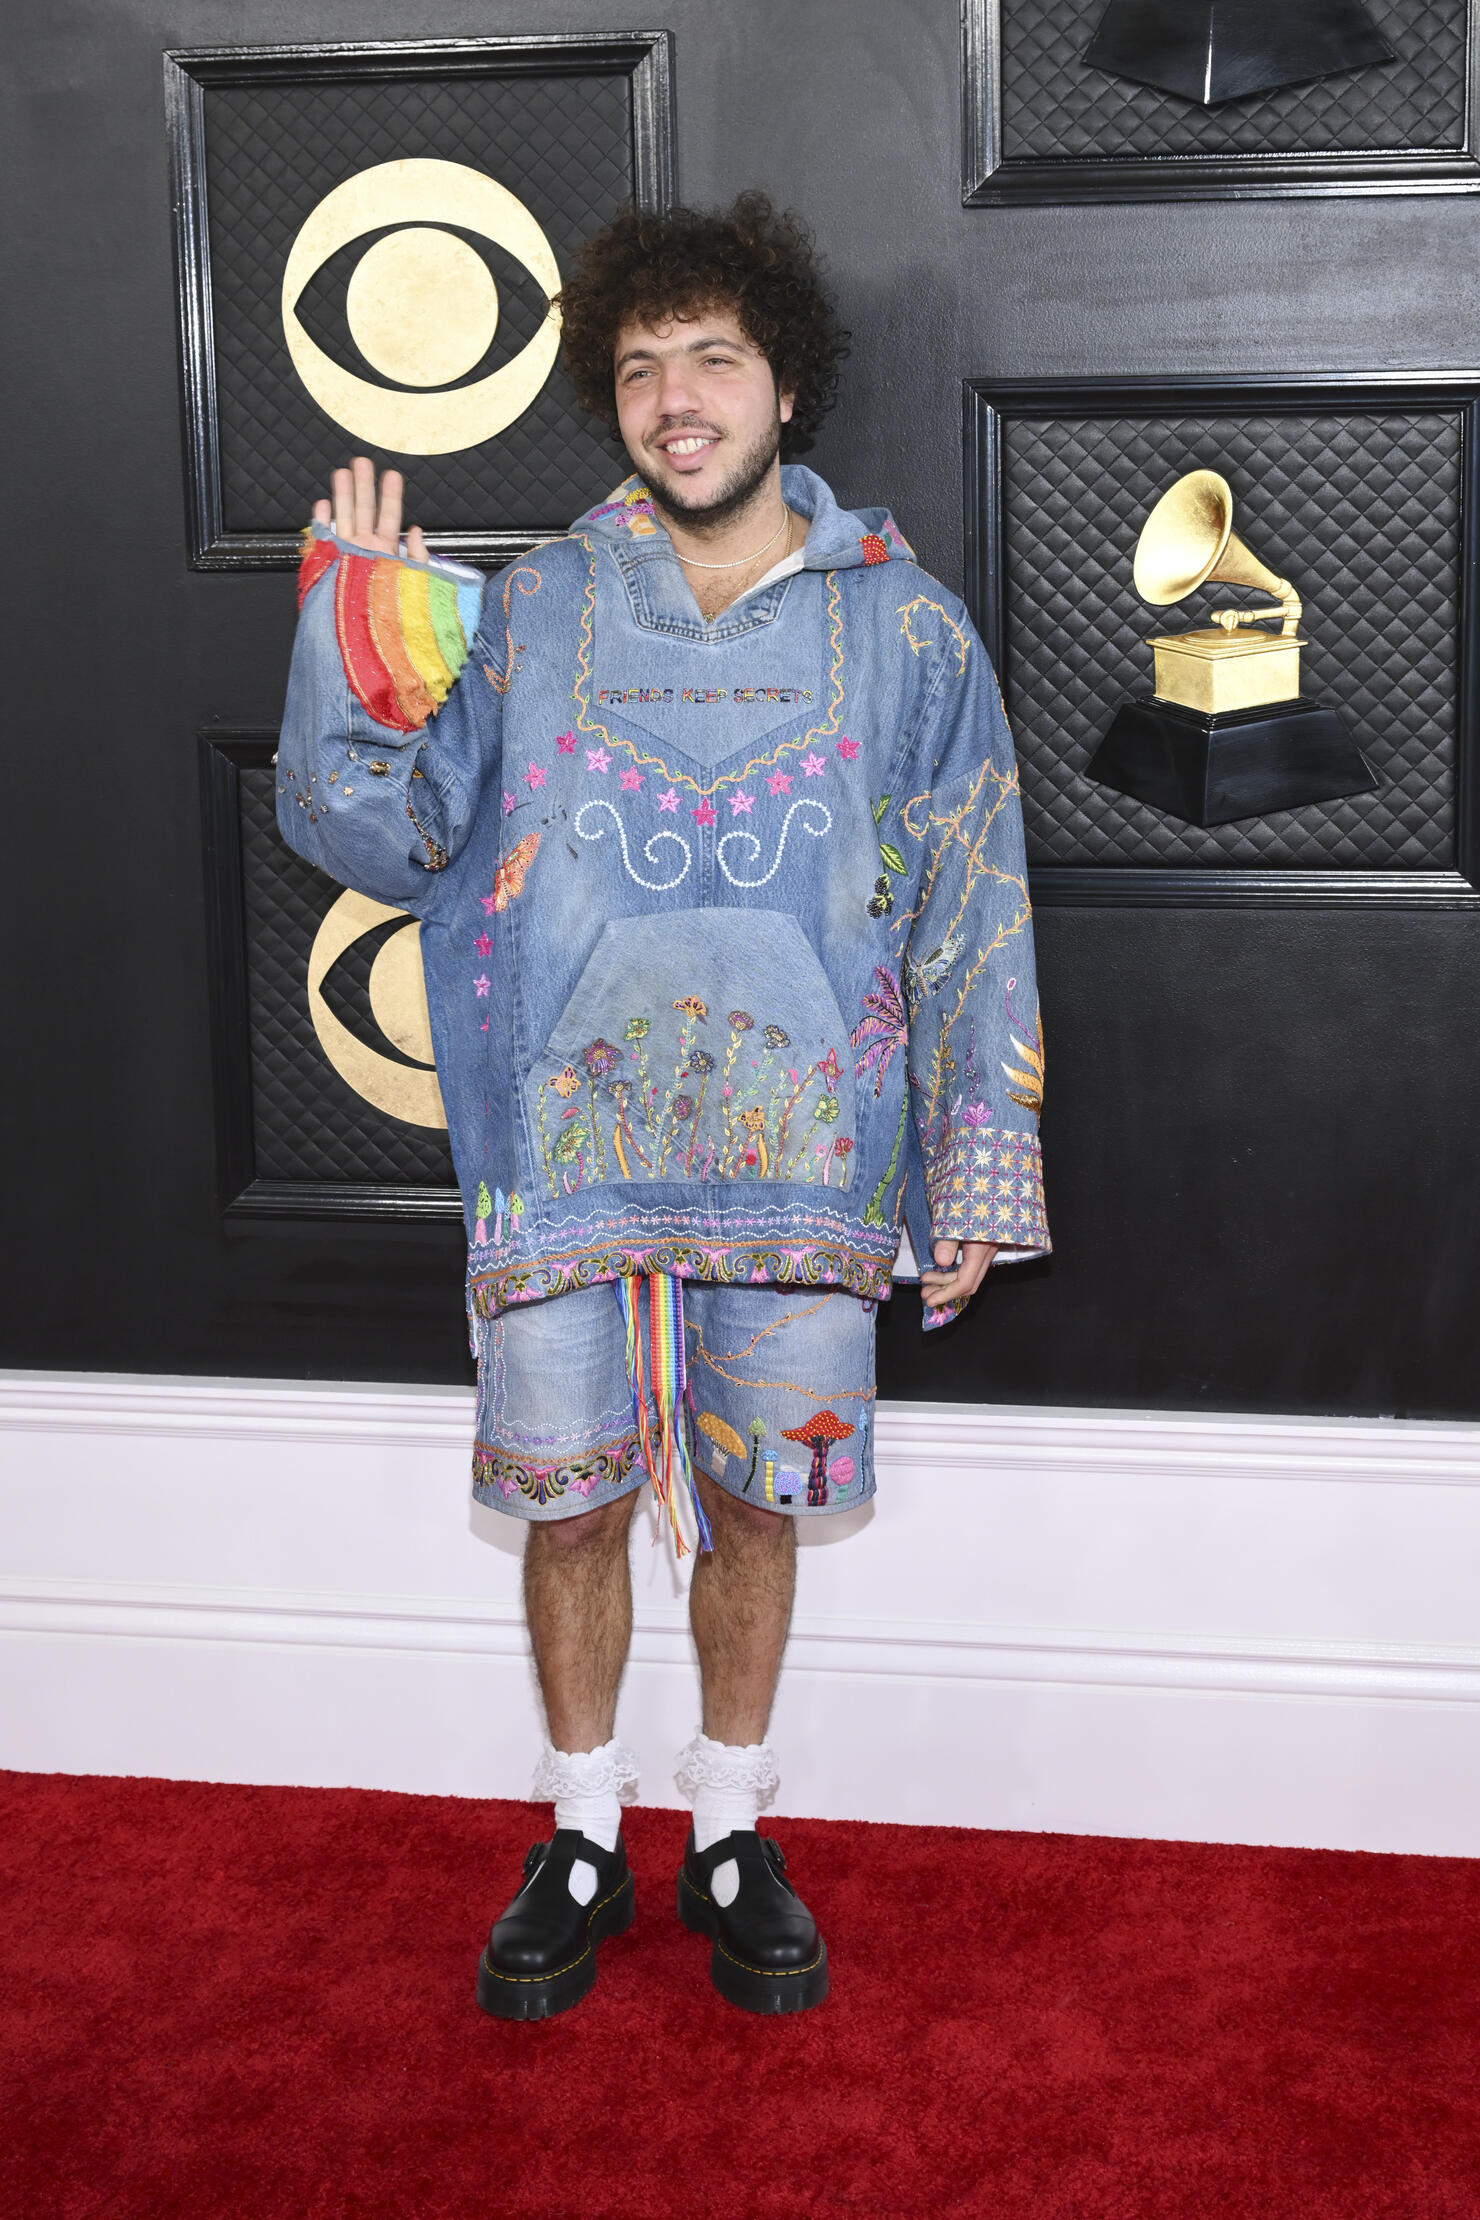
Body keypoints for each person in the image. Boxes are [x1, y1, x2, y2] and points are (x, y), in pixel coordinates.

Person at [277, 192, 1049, 2020]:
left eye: (711, 358)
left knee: (758, 1506)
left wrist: (972, 1166)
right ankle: (576, 1827)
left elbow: (970, 894)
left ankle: (725, 1823)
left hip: (808, 1164)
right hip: (569, 1168)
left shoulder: (911, 632)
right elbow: (374, 829)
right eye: (640, 367)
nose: (675, 397)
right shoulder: (534, 607)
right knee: (569, 1506)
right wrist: (353, 633)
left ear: (786, 384)